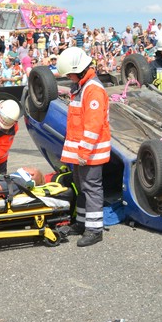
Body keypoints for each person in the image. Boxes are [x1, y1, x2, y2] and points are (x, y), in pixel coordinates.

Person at [56, 46, 110, 247]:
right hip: (82, 152)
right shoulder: (82, 86)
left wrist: (84, 152)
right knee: (82, 188)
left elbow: (93, 126)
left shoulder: (93, 90)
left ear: (78, 69)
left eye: (69, 73)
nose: (69, 77)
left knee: (91, 188)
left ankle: (94, 229)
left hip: (90, 152)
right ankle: (82, 222)